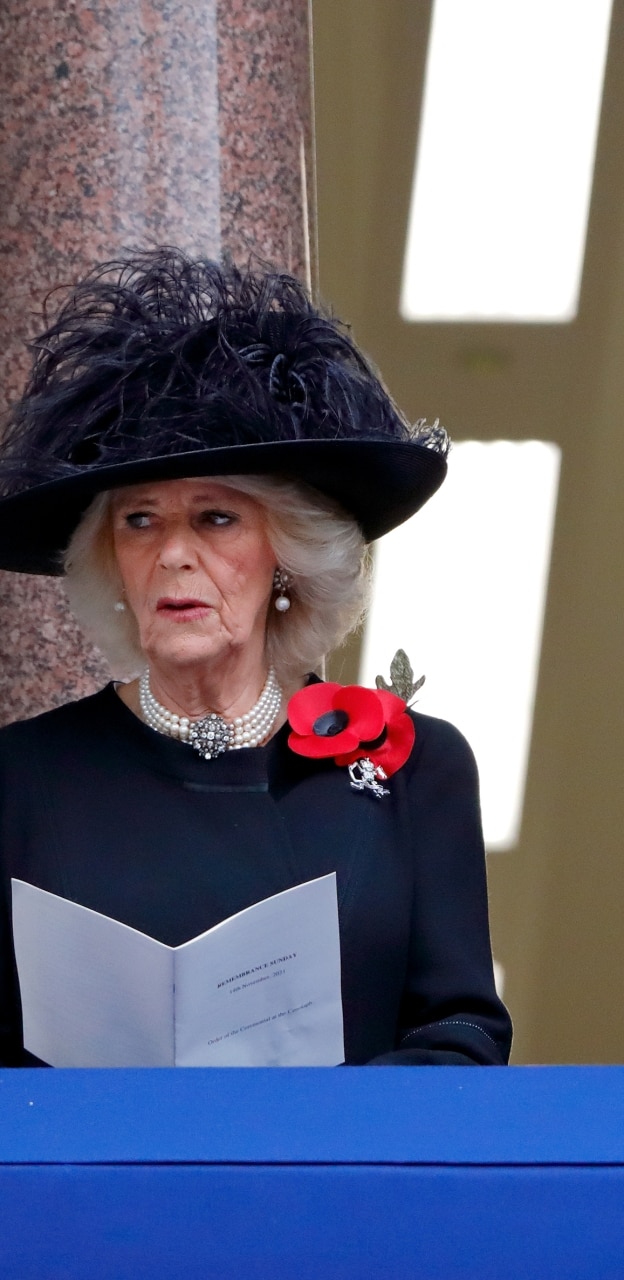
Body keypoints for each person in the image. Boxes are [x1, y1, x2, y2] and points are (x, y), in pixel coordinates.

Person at [0, 250, 509, 1066]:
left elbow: (463, 1037)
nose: (172, 555)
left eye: (215, 519)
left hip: (333, 1184)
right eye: (139, 521)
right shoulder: (21, 778)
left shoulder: (417, 771)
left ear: (287, 551)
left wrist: (304, 1130)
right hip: (86, 1188)